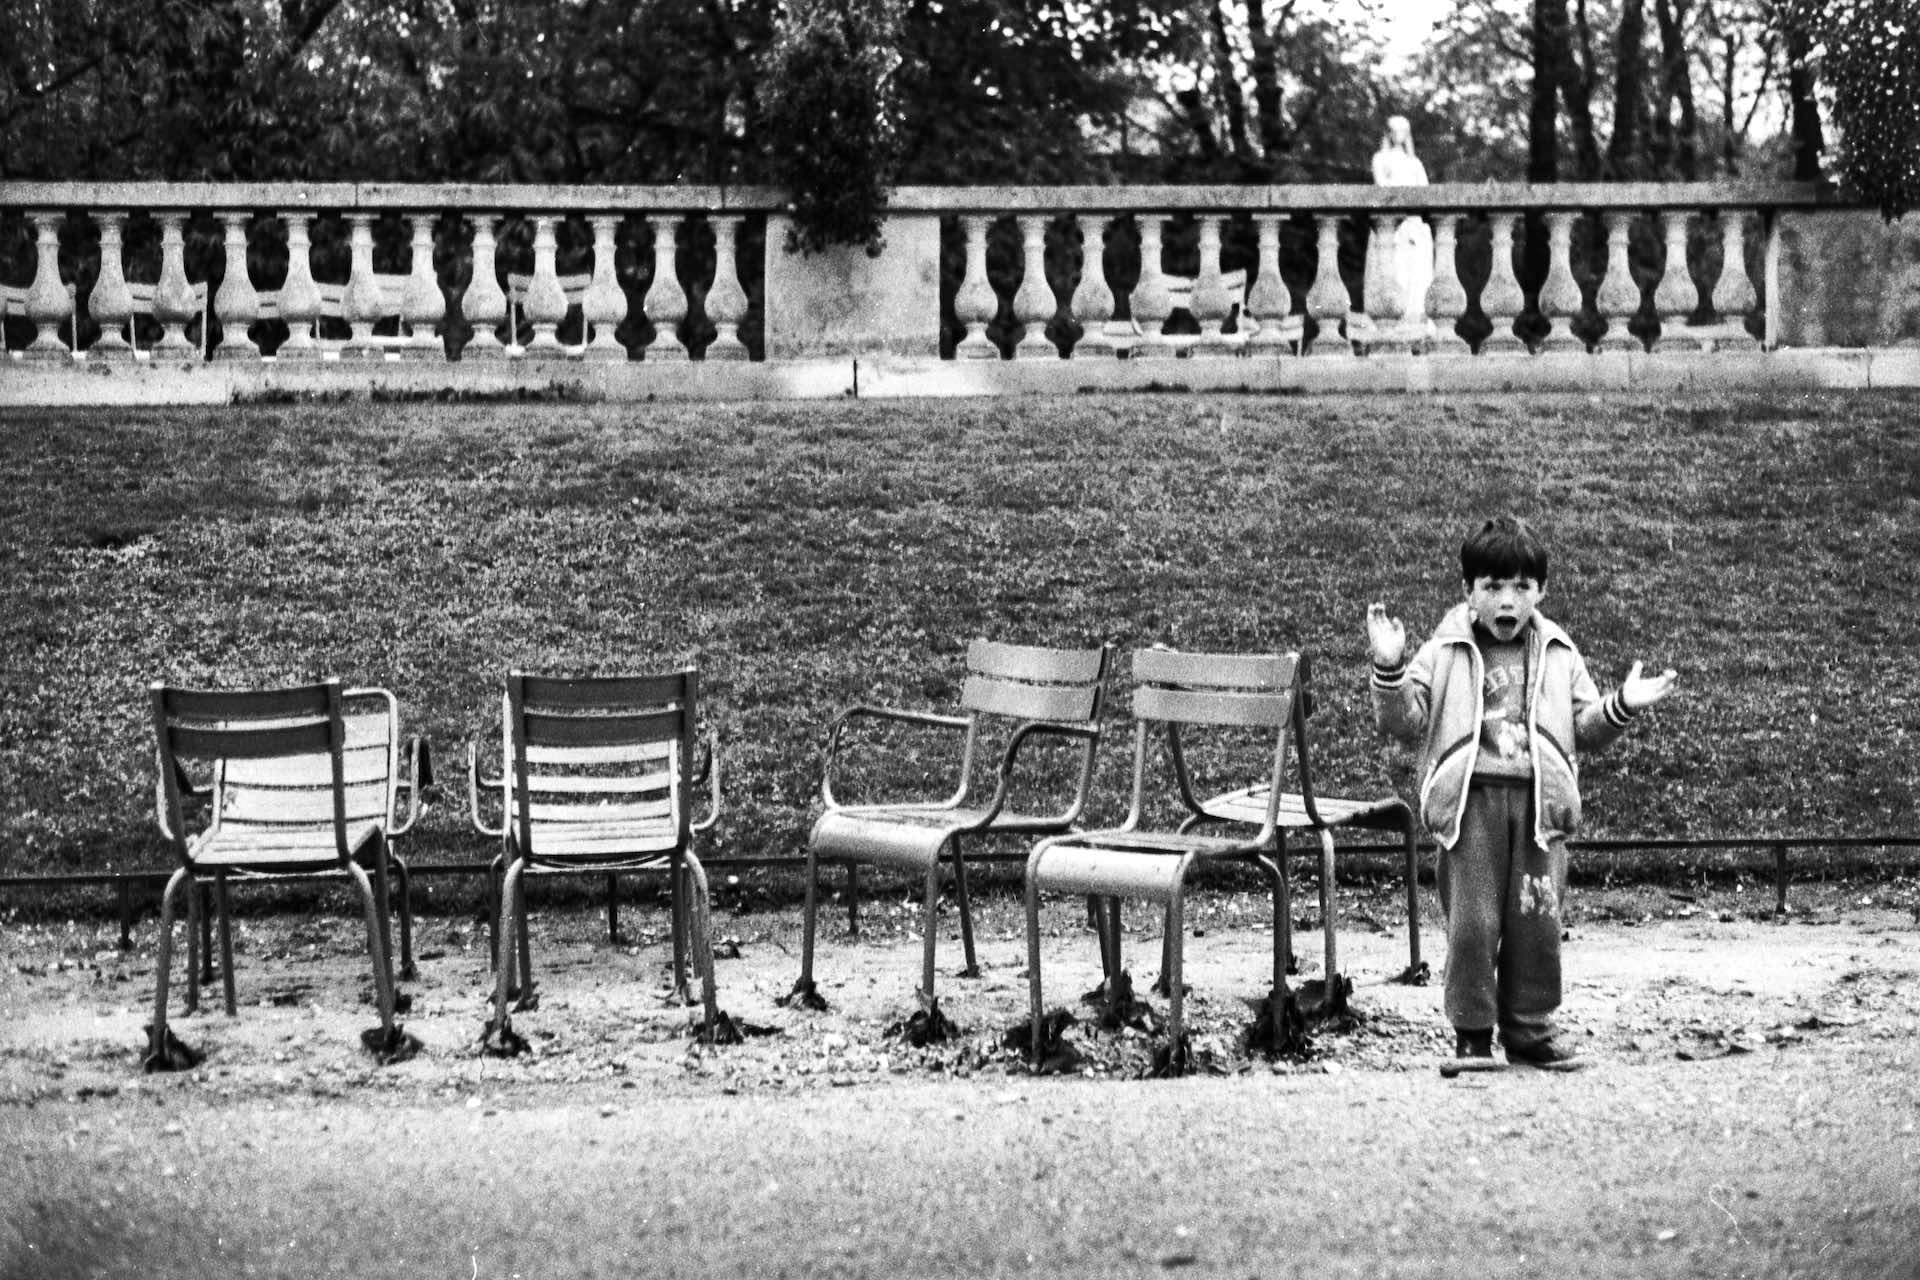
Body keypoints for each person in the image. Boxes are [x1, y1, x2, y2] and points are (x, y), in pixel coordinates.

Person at [1366, 516, 1677, 1074]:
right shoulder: (1443, 652)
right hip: (1470, 808)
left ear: (1541, 592)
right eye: (1492, 587)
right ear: (1468, 591)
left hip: (1539, 812)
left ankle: (1530, 1031)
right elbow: (1403, 721)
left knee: (1537, 921)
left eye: (1521, 588)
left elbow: (1585, 727)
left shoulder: (1559, 652)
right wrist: (1388, 668)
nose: (1507, 600)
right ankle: (1473, 1035)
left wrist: (1622, 703)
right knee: (1474, 925)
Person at [1370, 115, 1434, 340]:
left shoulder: (1414, 163)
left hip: (1413, 226)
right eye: (1395, 130)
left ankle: (1416, 328)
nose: (1400, 134)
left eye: (1404, 130)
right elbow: (1381, 187)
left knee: (1415, 277)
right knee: (1393, 271)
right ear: (1388, 133)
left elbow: (1424, 192)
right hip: (1392, 226)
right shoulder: (1380, 158)